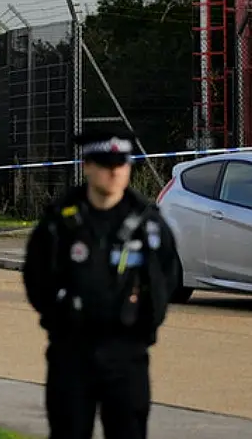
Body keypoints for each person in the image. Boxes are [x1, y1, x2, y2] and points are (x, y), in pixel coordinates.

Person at [22, 127, 181, 439]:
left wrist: (144, 327)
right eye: (105, 165)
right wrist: (59, 318)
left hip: (127, 355)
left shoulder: (147, 224)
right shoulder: (60, 222)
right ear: (88, 166)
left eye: (120, 165)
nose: (114, 172)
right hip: (71, 352)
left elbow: (167, 277)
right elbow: (36, 278)